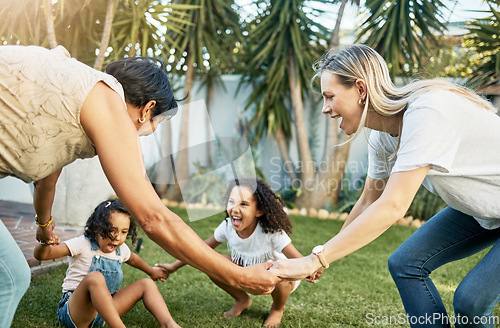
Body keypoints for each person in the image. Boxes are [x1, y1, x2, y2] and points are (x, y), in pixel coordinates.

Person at [0, 45, 278, 327]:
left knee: (10, 276)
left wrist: (44, 222)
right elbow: (154, 218)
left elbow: (47, 176)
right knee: (8, 279)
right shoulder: (109, 105)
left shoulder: (78, 89)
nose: (152, 131)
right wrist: (239, 277)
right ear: (147, 109)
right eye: (157, 122)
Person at [270, 44, 500, 328]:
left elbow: (393, 206)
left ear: (360, 89)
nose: (324, 108)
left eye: (329, 96)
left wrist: (315, 260)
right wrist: (321, 255)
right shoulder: (382, 136)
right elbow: (369, 201)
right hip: (484, 208)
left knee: (471, 301)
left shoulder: (427, 113)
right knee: (405, 264)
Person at [158, 178, 322, 328]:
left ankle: (278, 308)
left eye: (243, 204)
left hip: (277, 275)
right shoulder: (227, 226)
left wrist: (312, 268)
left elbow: (299, 260)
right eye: (231, 202)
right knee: (212, 263)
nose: (235, 209)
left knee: (282, 275)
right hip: (244, 266)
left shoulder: (272, 232)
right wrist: (173, 267)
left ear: (259, 211)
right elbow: (200, 250)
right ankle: (242, 300)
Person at [34, 199, 180, 328]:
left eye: (124, 232)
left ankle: (169, 324)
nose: (118, 237)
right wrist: (45, 243)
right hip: (76, 313)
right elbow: (44, 255)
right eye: (112, 230)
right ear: (97, 227)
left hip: (103, 313)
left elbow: (133, 259)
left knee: (146, 284)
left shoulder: (120, 250)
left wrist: (151, 271)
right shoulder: (82, 244)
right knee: (95, 278)